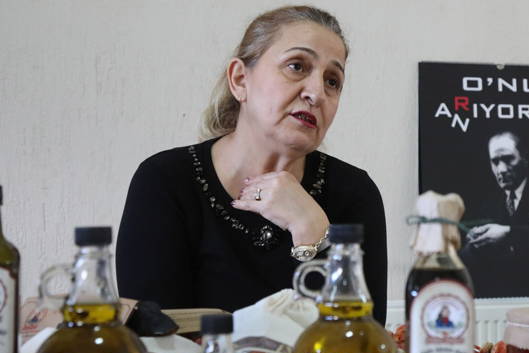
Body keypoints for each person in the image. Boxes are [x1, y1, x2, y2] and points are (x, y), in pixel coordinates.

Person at [116, 6, 388, 324]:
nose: (316, 93)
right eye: (297, 66)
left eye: (332, 81)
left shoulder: (355, 193)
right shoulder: (165, 181)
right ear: (240, 79)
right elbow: (155, 335)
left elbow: (363, 341)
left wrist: (313, 230)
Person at [459, 130, 529, 297]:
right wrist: (473, 244)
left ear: (525, 157)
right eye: (495, 162)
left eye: (508, 159)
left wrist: (509, 234)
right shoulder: (486, 206)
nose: (501, 169)